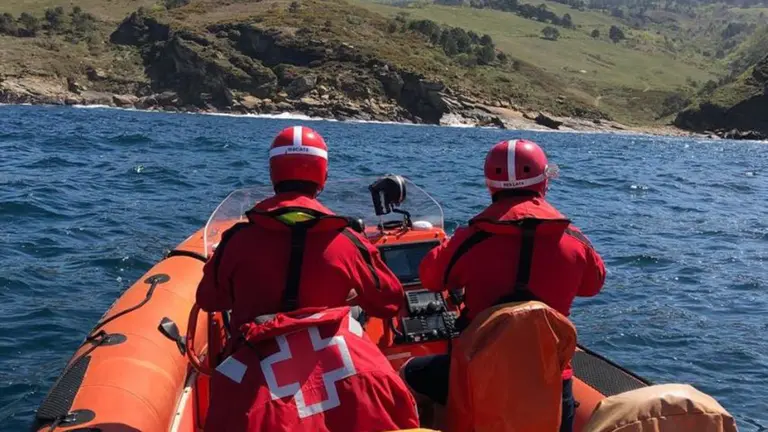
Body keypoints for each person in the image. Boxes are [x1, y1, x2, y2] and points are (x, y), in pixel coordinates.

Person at [401, 139, 606, 432]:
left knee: (408, 374)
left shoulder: (471, 238)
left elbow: (432, 278)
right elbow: (592, 285)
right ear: (543, 183)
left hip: (477, 374)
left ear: (490, 186)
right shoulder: (575, 240)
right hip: (550, 380)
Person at [196, 125, 405, 333]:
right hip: (325, 363)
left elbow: (209, 300)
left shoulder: (237, 241)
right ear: (324, 174)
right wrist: (353, 294)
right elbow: (391, 301)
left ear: (273, 173)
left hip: (253, 360)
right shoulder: (348, 243)